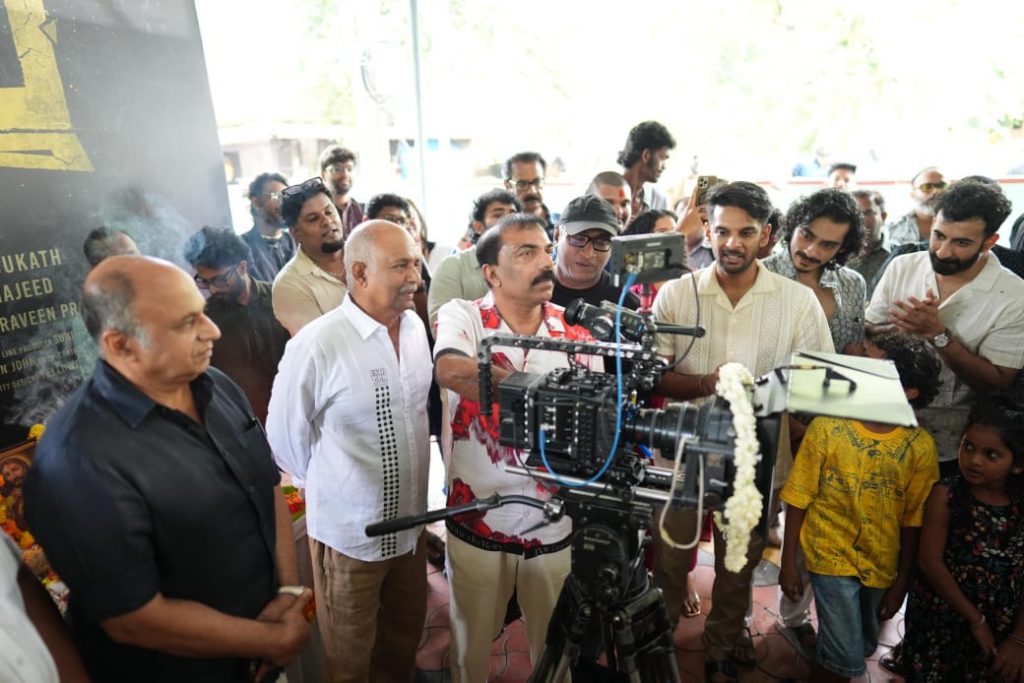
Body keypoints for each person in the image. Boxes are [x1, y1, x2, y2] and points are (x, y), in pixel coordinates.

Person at [24, 255, 310, 682]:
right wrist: (268, 640)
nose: (212, 330)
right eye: (187, 322)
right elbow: (133, 617)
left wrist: (287, 592)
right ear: (120, 345)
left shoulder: (216, 385)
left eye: (202, 312)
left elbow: (265, 487)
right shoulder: (78, 457)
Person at [651, 181, 834, 683]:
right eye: (723, 231)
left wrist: (772, 394)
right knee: (670, 558)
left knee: (738, 562)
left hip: (758, 459)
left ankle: (721, 646)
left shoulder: (797, 302)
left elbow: (818, 383)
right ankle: (658, 641)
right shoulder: (677, 293)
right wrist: (707, 383)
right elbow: (654, 375)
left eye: (746, 232)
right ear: (707, 229)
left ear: (767, 235)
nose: (732, 243)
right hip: (683, 453)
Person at [434, 212, 598, 682]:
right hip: (477, 517)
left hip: (552, 523)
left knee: (554, 648)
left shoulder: (576, 333)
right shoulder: (465, 317)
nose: (545, 261)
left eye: (546, 249)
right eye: (526, 252)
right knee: (471, 642)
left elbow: (592, 426)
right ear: (491, 272)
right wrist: (548, 397)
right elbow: (453, 370)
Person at [267, 221, 431, 683]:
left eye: (416, 263)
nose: (415, 277)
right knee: (349, 664)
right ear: (359, 273)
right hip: (350, 540)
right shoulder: (318, 343)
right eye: (401, 266)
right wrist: (338, 487)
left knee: (401, 648)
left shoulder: (415, 328)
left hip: (411, 531)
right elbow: (284, 442)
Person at [779, 332, 941, 682]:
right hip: (828, 552)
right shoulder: (827, 428)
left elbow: (913, 520)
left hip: (880, 561)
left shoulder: (920, 447)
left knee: (860, 644)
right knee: (845, 656)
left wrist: (901, 583)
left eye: (877, 369)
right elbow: (799, 495)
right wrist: (788, 562)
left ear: (910, 391)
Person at [867, 179, 1024, 474]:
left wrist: (938, 334)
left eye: (961, 243)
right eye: (938, 236)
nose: (942, 252)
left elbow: (997, 383)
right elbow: (868, 336)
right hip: (878, 426)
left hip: (953, 446)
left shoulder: (1015, 296)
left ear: (990, 242)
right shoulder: (903, 266)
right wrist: (895, 333)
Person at [903, 398, 1024, 682]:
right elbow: (930, 562)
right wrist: (975, 619)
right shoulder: (946, 495)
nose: (974, 460)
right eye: (968, 447)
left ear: (1018, 465)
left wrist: (1019, 639)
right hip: (940, 619)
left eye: (991, 455)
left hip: (1001, 624)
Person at [183, 226, 290, 425]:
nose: (213, 290)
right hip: (247, 425)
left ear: (242, 267)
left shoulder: (282, 297)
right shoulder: (205, 321)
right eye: (204, 281)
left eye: (220, 280)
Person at [762, 188, 867, 354]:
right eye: (806, 235)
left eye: (827, 245)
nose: (811, 251)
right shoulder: (757, 275)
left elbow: (853, 350)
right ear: (793, 226)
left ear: (842, 248)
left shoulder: (853, 283)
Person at [427, 189, 521, 326]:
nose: (508, 221)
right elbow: (441, 324)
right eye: (498, 215)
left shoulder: (529, 264)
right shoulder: (453, 266)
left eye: (514, 215)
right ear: (478, 227)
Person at [272, 177, 348, 336]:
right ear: (296, 233)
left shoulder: (367, 254)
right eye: (313, 219)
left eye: (329, 211)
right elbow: (321, 343)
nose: (327, 221)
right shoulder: (288, 285)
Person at [551, 194, 640, 310]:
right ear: (557, 235)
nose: (588, 254)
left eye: (601, 242)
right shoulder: (531, 291)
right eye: (579, 238)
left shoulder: (626, 306)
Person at [241, 172, 295, 282]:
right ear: (256, 202)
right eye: (276, 196)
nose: (284, 203)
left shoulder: (297, 242)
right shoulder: (242, 248)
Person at [618, 120, 676, 217]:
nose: (664, 166)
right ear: (646, 155)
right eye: (662, 158)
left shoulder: (659, 201)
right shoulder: (605, 192)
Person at [885, 167, 947, 247]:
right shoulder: (893, 228)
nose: (936, 191)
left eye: (942, 186)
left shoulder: (960, 225)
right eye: (927, 187)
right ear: (913, 194)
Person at [848, 189, 890, 293]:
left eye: (868, 213)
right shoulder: (834, 256)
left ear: (883, 217)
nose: (860, 220)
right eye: (854, 214)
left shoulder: (899, 256)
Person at [319, 145, 365, 237]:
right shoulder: (316, 213)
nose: (345, 174)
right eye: (337, 169)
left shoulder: (362, 212)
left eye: (349, 169)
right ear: (323, 174)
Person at [503, 151, 551, 225]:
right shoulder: (500, 228)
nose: (532, 191)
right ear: (508, 186)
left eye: (537, 182)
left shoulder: (564, 224)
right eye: (522, 184)